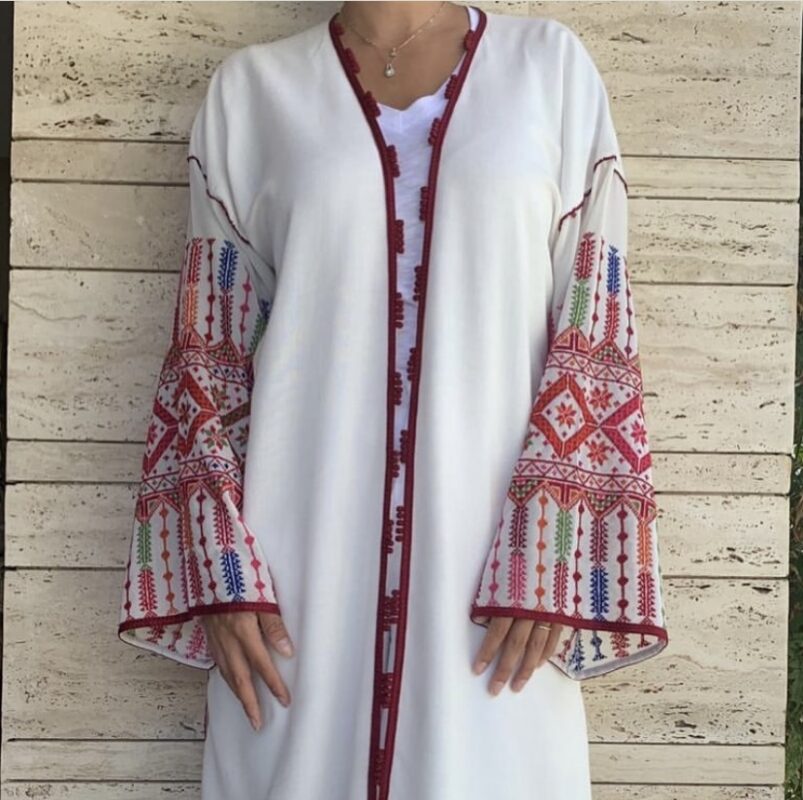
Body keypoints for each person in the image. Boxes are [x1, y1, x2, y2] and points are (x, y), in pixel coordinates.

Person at [117, 3, 670, 798]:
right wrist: (221, 570)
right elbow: (209, 354)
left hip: (498, 584)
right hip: (295, 582)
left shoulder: (547, 69)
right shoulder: (252, 91)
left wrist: (553, 552)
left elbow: (595, 319)